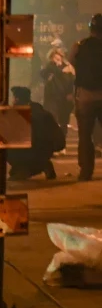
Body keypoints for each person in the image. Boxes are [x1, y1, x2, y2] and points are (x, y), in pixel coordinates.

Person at [4, 86, 64, 181]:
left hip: (32, 149)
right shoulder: (41, 111)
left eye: (14, 98)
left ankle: (24, 169)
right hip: (46, 150)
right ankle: (43, 164)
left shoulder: (20, 115)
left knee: (4, 147)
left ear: (17, 99)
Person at [72, 14, 102, 182]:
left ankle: (86, 171)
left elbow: (72, 64)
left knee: (85, 136)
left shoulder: (79, 46)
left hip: (85, 98)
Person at [41, 42, 75, 139]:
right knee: (53, 119)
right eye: (55, 58)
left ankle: (62, 142)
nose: (57, 60)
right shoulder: (50, 67)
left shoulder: (68, 68)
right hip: (52, 97)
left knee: (63, 120)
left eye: (59, 58)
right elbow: (44, 73)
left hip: (64, 98)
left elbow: (72, 81)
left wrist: (70, 93)